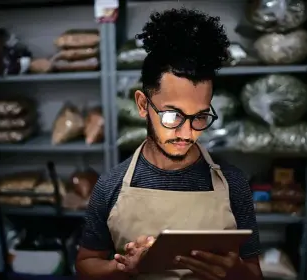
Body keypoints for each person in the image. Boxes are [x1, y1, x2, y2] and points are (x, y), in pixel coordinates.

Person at [76, 7, 263, 280]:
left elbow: (254, 273)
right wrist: (124, 268)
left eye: (199, 116)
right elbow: (85, 264)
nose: (186, 133)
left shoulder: (233, 184)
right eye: (172, 115)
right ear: (142, 104)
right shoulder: (110, 185)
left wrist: (235, 273)